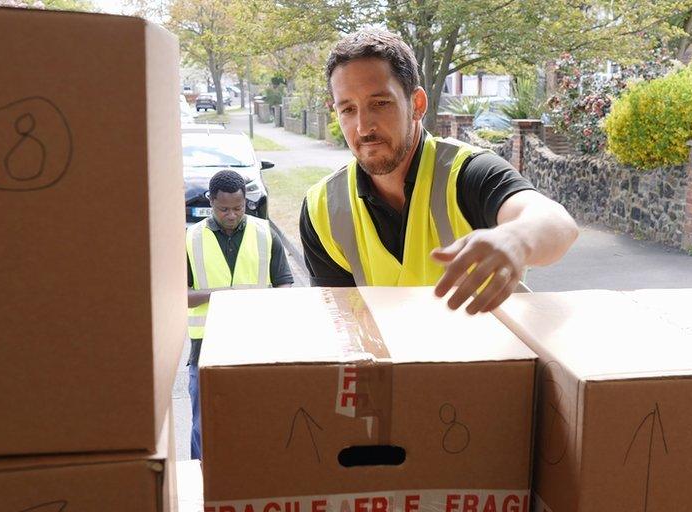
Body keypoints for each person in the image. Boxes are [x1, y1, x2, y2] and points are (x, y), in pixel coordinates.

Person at [300, 30, 578, 314]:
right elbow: (345, 323)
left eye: (380, 103)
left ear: (417, 105)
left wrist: (516, 240)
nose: (363, 127)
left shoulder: (468, 172)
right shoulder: (323, 207)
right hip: (386, 356)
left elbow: (557, 223)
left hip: (489, 355)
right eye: (348, 109)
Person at [186, 170, 293, 459]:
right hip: (205, 347)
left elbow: (285, 284)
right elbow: (178, 296)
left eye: (238, 208)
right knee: (203, 426)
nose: (231, 215)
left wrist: (263, 303)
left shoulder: (265, 234)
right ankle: (200, 483)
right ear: (211, 202)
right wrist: (223, 296)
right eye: (223, 209)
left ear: (246, 201)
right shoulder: (191, 239)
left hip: (256, 345)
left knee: (256, 421)